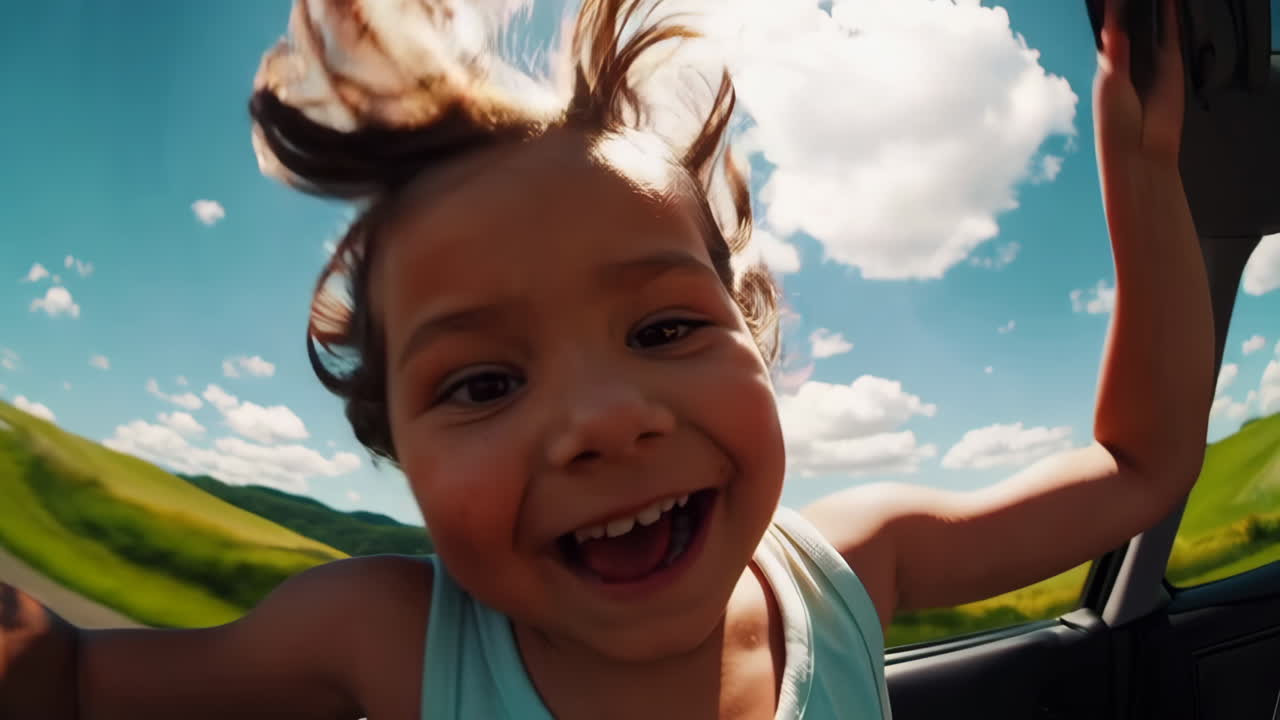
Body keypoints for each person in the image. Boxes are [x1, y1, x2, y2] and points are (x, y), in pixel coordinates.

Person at [0, 0, 1212, 717]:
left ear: (751, 333)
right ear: (397, 451)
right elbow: (71, 687)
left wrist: (1144, 174)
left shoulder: (846, 571)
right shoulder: (384, 639)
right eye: (483, 383)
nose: (604, 418)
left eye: (663, 329)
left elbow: (1139, 468)